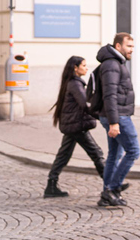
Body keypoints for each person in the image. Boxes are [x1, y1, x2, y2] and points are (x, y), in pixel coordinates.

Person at [45, 56, 105, 198]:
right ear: (75, 68)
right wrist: (102, 117)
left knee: (63, 155)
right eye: (83, 65)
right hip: (77, 125)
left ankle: (51, 186)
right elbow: (85, 105)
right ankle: (112, 185)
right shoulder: (75, 84)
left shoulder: (72, 83)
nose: (86, 68)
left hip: (72, 124)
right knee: (97, 153)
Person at [96, 33, 139, 207]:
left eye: (133, 47)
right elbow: (110, 95)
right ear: (118, 46)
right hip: (118, 117)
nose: (132, 50)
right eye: (129, 46)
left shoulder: (115, 63)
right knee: (134, 151)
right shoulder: (112, 65)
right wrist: (114, 122)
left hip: (115, 116)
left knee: (114, 154)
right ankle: (112, 189)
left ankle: (107, 193)